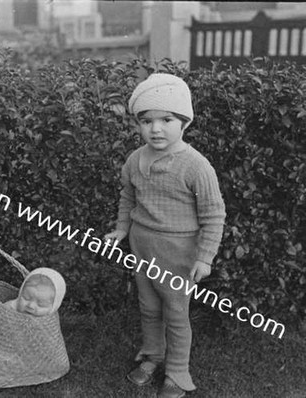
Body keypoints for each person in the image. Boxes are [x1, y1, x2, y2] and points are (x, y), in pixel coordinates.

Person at [104, 73, 226, 398]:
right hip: (142, 246)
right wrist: (120, 229)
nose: (156, 129)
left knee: (175, 313)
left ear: (184, 121)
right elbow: (128, 198)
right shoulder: (134, 160)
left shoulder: (196, 166)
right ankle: (152, 356)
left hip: (178, 253)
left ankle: (177, 372)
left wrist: (204, 257)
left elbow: (214, 214)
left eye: (166, 119)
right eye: (146, 121)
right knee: (148, 307)